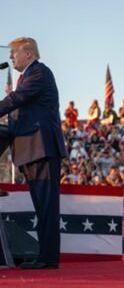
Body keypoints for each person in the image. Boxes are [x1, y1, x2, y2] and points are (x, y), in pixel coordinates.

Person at [0, 37, 66, 269]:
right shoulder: (26, 77)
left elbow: (16, 100)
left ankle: (48, 259)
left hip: (41, 149)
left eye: (13, 52)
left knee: (46, 206)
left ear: (28, 54)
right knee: (41, 205)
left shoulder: (39, 73)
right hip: (30, 149)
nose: (10, 57)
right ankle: (46, 256)